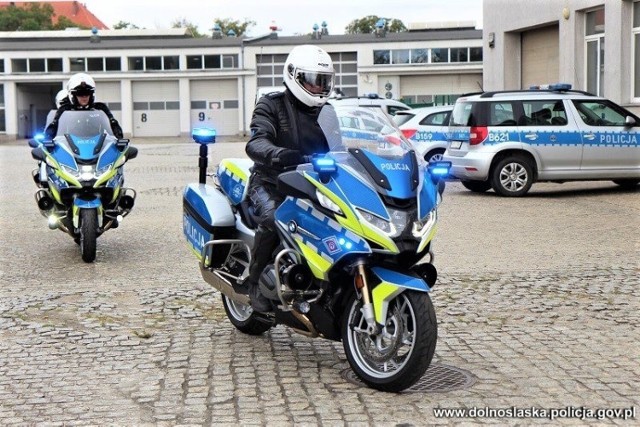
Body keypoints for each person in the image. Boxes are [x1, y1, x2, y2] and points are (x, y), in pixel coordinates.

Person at [244, 44, 335, 312]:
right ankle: (255, 282)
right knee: (274, 218)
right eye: (314, 81)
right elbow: (256, 142)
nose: (319, 88)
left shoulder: (329, 112)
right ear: (294, 76)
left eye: (324, 82)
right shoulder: (271, 105)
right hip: (272, 183)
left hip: (315, 185)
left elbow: (348, 145)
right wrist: (281, 154)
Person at [44, 73, 123, 139]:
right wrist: (48, 140)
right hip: (69, 145)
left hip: (97, 145)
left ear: (91, 95)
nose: (84, 97)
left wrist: (119, 139)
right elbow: (53, 126)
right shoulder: (64, 109)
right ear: (73, 95)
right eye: (80, 94)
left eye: (87, 93)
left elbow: (113, 125)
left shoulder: (100, 108)